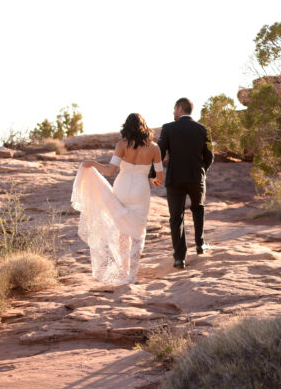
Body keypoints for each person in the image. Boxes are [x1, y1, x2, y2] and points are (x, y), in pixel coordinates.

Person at [71, 113, 162, 285]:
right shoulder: (154, 148)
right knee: (138, 233)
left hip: (122, 187)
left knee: (123, 231)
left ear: (126, 127)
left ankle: (123, 271)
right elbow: (159, 177)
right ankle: (132, 275)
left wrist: (93, 164)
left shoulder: (121, 145)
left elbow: (110, 170)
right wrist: (152, 178)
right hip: (140, 191)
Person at [157, 97, 214, 269]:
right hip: (196, 178)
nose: (173, 112)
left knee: (176, 218)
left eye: (174, 109)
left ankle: (179, 258)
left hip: (174, 179)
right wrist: (202, 170)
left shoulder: (168, 128)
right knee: (198, 209)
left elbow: (159, 154)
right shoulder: (203, 129)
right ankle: (200, 244)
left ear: (180, 108)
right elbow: (210, 156)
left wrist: (153, 174)